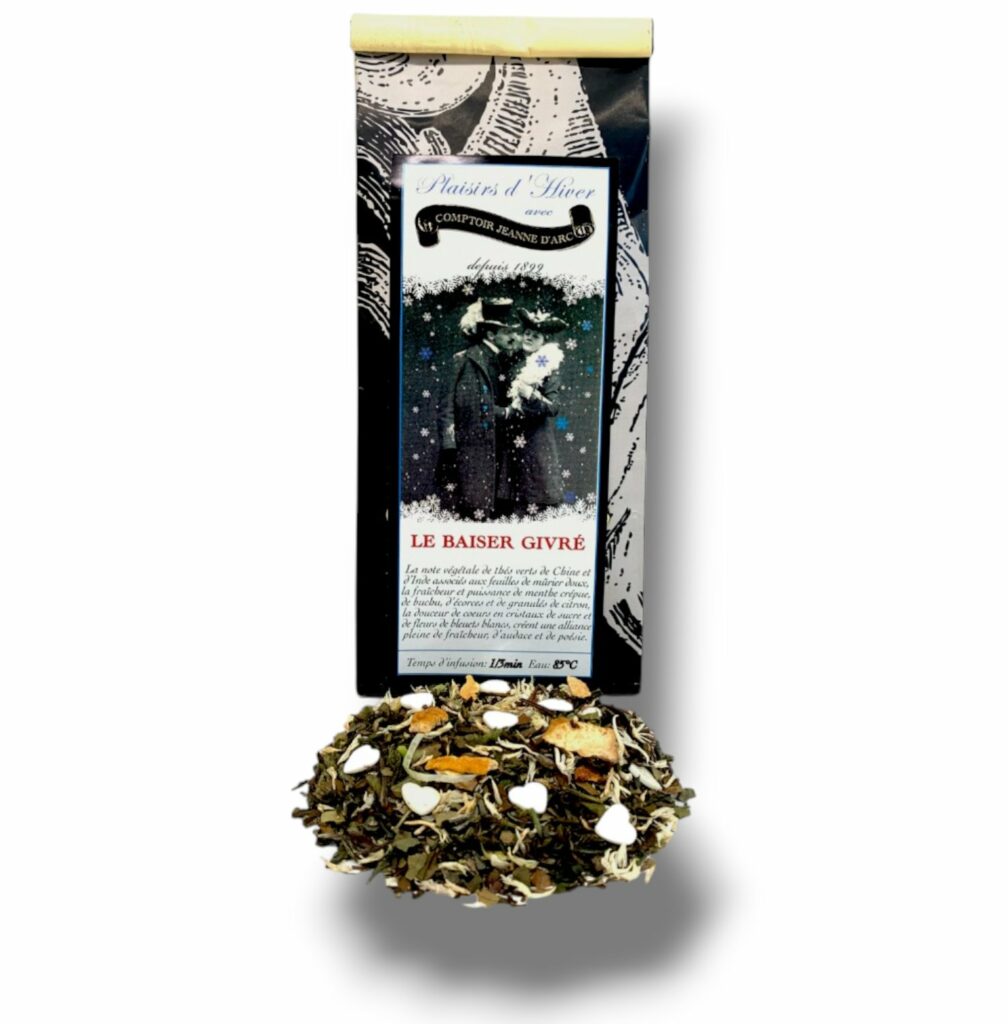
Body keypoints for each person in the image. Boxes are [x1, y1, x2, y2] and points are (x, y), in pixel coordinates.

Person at [436, 296, 522, 519]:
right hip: (472, 450)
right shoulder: (463, 360)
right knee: (473, 510)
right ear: (491, 334)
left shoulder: (510, 361)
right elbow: (447, 408)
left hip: (504, 449)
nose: (514, 337)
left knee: (501, 512)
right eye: (507, 332)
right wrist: (450, 446)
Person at [497, 307, 568, 513]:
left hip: (534, 440)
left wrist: (531, 394)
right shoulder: (509, 359)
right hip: (508, 436)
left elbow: (553, 407)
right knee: (508, 501)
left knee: (534, 498)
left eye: (535, 336)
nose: (529, 337)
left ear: (544, 342)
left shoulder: (548, 368)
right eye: (527, 333)